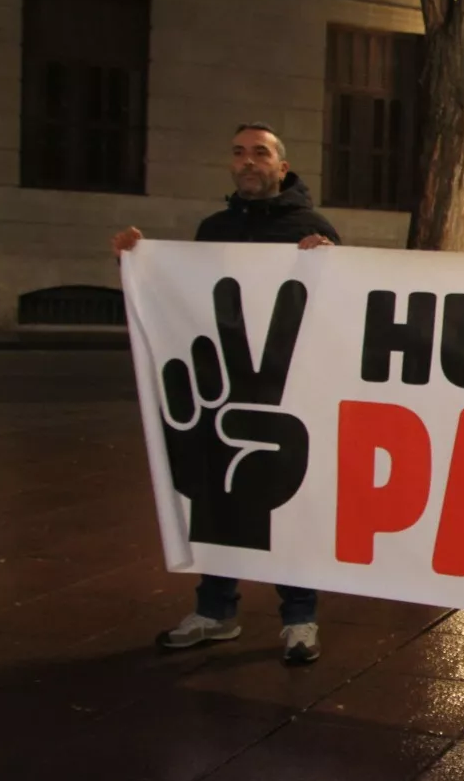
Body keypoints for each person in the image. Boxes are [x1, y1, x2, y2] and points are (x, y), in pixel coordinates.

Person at [113, 123, 339, 664]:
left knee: (287, 503)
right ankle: (216, 612)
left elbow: (340, 304)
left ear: (282, 166)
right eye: (239, 153)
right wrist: (136, 262)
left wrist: (332, 260)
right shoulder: (213, 229)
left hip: (286, 390)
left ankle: (300, 618)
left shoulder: (310, 228)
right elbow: (184, 294)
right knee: (217, 501)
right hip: (223, 387)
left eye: (260, 153)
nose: (248, 162)